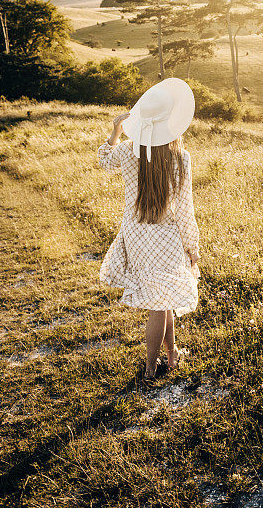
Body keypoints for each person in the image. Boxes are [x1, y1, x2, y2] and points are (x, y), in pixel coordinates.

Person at [97, 78, 200, 387]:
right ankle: (150, 369)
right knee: (159, 303)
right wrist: (192, 247)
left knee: (162, 298)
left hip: (137, 236)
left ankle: (172, 354)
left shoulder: (129, 151)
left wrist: (115, 132)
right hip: (166, 238)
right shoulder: (180, 158)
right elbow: (185, 209)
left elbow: (103, 160)